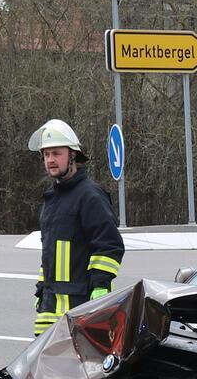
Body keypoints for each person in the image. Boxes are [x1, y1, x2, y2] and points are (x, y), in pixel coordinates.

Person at [25, 118, 124, 335]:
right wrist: (42, 289)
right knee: (45, 366)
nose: (50, 159)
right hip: (51, 307)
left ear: (73, 155)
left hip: (82, 305)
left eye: (56, 153)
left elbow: (109, 246)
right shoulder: (52, 199)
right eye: (46, 154)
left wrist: (100, 286)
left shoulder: (90, 195)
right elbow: (50, 253)